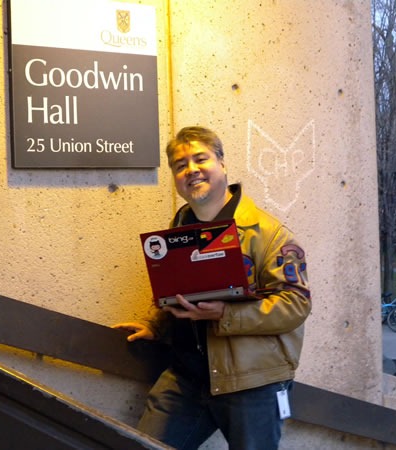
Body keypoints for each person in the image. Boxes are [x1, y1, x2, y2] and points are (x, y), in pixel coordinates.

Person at [114, 126, 311, 450]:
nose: (191, 170)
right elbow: (180, 290)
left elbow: (296, 304)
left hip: (253, 383)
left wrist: (226, 314)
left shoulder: (268, 233)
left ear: (222, 163)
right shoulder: (178, 227)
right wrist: (156, 326)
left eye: (200, 159)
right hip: (186, 379)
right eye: (180, 165)